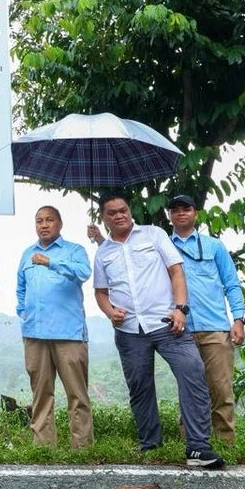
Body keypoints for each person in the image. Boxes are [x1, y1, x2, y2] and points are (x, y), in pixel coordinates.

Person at [92, 191, 224, 469]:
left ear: (130, 211)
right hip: (129, 330)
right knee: (139, 385)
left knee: (192, 371)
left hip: (167, 323)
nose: (119, 215)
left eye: (123, 210)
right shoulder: (103, 252)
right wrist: (108, 311)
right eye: (112, 212)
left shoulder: (154, 235)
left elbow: (177, 271)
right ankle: (150, 444)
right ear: (103, 217)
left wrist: (180, 308)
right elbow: (101, 292)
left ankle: (198, 447)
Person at [166, 194, 245, 444]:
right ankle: (191, 443)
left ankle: (225, 442)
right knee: (189, 389)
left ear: (195, 213)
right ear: (169, 215)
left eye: (186, 208)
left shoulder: (214, 246)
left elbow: (231, 284)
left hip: (216, 328)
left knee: (221, 389)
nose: (181, 213)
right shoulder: (164, 246)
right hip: (180, 330)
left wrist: (239, 319)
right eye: (175, 209)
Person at [15, 205, 94, 449]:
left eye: (50, 220)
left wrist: (50, 262)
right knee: (40, 394)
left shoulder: (74, 251)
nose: (44, 225)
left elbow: (83, 272)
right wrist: (23, 312)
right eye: (39, 220)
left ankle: (82, 448)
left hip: (68, 333)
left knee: (77, 394)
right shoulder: (27, 253)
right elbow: (20, 287)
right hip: (35, 335)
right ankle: (43, 447)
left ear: (60, 224)